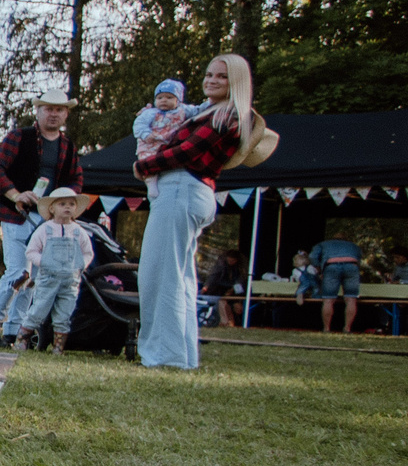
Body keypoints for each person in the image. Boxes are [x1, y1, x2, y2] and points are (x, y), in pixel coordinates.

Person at [133, 54, 276, 368]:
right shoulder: (209, 111)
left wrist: (144, 166)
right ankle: (180, 355)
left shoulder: (227, 114)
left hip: (182, 186)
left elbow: (188, 151)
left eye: (222, 76)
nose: (212, 80)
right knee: (179, 277)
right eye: (209, 74)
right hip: (189, 189)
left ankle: (164, 355)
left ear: (236, 81)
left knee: (160, 274)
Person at [0, 96, 86, 347]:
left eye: (59, 110)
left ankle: (14, 330)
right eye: (48, 109)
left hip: (47, 219)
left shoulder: (68, 147)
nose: (53, 114)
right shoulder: (19, 137)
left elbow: (76, 180)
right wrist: (16, 195)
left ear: (66, 114)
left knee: (34, 276)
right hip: (16, 215)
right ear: (38, 111)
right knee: (18, 271)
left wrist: (63, 202)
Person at [13, 188, 97, 353]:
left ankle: (58, 347)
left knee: (64, 314)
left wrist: (81, 265)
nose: (67, 207)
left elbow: (88, 253)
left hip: (70, 281)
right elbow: (31, 251)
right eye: (62, 204)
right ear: (52, 208)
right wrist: (43, 262)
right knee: (38, 310)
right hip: (48, 279)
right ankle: (21, 340)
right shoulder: (45, 229)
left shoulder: (79, 231)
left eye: (71, 204)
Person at [309, 233, 364, 333]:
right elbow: (359, 257)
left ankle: (326, 328)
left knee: (328, 299)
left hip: (331, 266)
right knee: (351, 299)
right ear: (346, 239)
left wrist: (319, 268)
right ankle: (347, 328)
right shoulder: (353, 246)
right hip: (352, 266)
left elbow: (312, 256)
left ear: (332, 239)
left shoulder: (323, 244)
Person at [133, 79, 188, 161]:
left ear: (178, 100)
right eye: (160, 98)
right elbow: (139, 124)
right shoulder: (150, 113)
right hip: (150, 146)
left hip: (169, 146)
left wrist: (208, 105)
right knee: (149, 163)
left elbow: (198, 110)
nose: (164, 100)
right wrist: (145, 134)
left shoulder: (183, 110)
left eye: (169, 97)